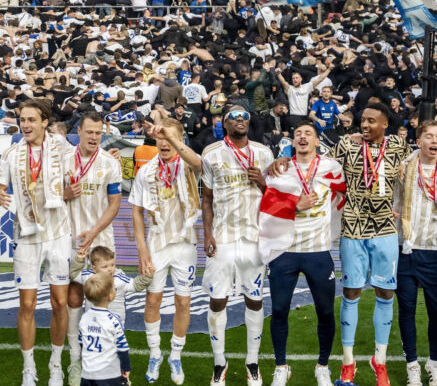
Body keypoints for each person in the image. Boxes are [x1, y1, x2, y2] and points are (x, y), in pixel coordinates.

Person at [0, 98, 78, 386]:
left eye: (32, 120)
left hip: (58, 234)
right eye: (22, 120)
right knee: (27, 304)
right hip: (26, 235)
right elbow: (0, 188)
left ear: (45, 122)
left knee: (59, 302)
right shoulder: (11, 153)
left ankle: (56, 364)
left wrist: (65, 192)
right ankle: (28, 368)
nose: (26, 125)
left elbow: (78, 175)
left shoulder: (62, 147)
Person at [329, 103, 410, 386]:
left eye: (371, 121)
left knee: (385, 292)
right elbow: (317, 166)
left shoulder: (398, 145)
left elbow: (418, 169)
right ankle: (347, 363)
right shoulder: (347, 145)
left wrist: (399, 205)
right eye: (362, 120)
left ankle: (380, 360)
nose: (364, 125)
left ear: (385, 124)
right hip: (353, 228)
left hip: (385, 229)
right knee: (351, 291)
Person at [258, 122, 345, 386]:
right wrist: (294, 204)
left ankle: (323, 366)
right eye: (298, 134)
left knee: (325, 312)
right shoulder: (280, 169)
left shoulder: (332, 168)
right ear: (293, 142)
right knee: (279, 310)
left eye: (308, 133)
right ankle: (281, 367)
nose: (303, 137)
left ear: (318, 141)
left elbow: (347, 192)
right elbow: (267, 204)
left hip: (318, 250)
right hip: (285, 251)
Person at [200, 104, 274, 386]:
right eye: (234, 116)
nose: (240, 119)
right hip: (223, 237)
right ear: (224, 123)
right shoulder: (211, 153)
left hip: (254, 238)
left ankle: (252, 362)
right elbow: (207, 198)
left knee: (254, 299)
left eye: (245, 116)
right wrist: (207, 234)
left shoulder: (264, 153)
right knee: (218, 299)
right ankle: (219, 363)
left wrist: (263, 183)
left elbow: (275, 196)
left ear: (249, 122)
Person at [129, 114, 203, 385]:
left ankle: (176, 355)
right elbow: (137, 212)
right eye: (160, 137)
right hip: (157, 244)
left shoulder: (189, 165)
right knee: (152, 300)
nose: (164, 143)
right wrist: (141, 250)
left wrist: (171, 136)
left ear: (180, 139)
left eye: (169, 137)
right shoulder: (146, 171)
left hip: (185, 243)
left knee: (183, 302)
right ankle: (155, 353)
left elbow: (198, 162)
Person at [394, 122, 437, 386]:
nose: (434, 140)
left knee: (436, 312)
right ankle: (412, 366)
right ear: (418, 141)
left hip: (433, 252)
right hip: (405, 249)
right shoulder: (403, 166)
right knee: (406, 311)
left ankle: (434, 363)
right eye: (428, 136)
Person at [66, 112, 125, 386]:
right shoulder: (63, 159)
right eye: (89, 132)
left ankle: (105, 360)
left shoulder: (110, 163)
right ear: (79, 131)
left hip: (100, 240)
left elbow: (115, 204)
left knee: (101, 299)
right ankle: (75, 360)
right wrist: (64, 194)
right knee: (74, 297)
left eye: (98, 133)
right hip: (69, 239)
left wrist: (93, 232)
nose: (93, 137)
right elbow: (50, 195)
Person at [76, 273, 132, 386]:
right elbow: (122, 347)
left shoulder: (84, 318)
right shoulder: (114, 320)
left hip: (87, 373)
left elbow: (81, 343)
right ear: (110, 296)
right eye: (113, 289)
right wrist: (126, 367)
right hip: (109, 374)